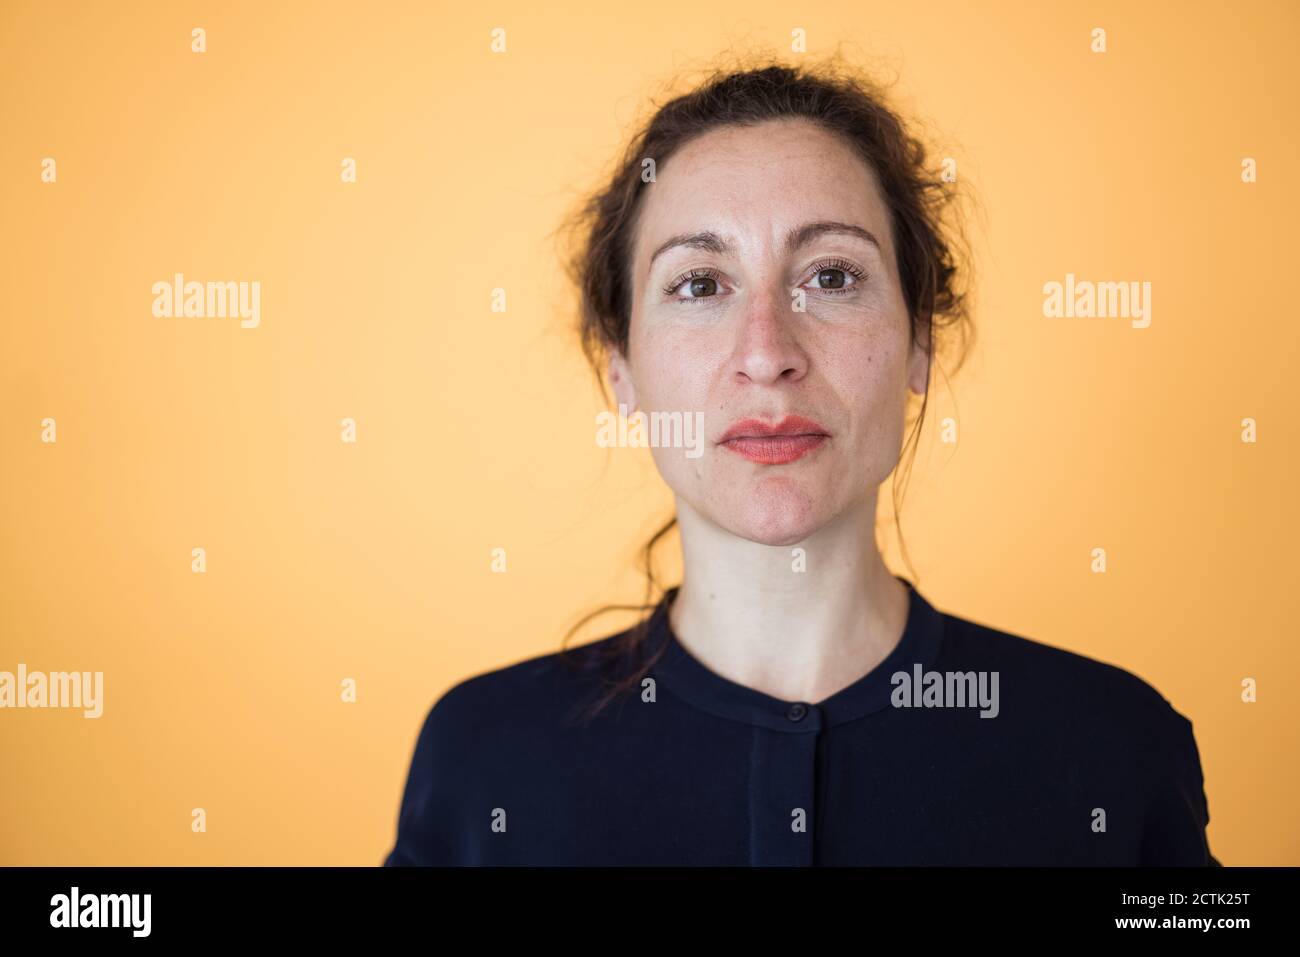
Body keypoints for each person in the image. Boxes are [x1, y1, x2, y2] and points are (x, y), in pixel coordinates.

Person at [383, 58, 1217, 866]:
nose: (767, 353)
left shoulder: (1114, 747)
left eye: (830, 275)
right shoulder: (481, 759)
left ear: (919, 342)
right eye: (701, 285)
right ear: (621, 368)